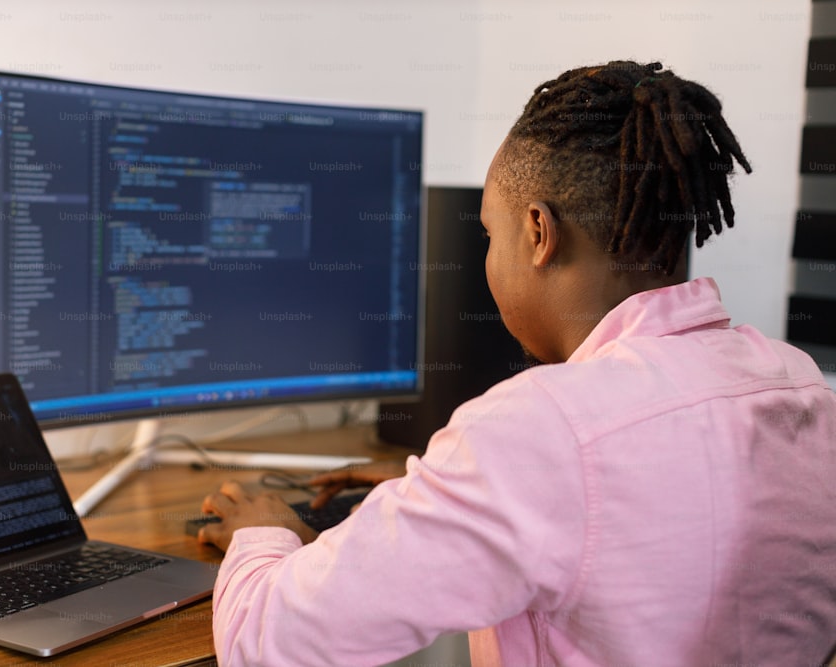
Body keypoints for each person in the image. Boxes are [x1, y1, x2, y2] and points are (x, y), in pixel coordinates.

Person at [196, 61, 836, 666]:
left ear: (537, 231)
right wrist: (438, 486)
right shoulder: (800, 386)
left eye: (488, 234)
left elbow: (265, 642)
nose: (487, 256)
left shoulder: (539, 429)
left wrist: (263, 532)